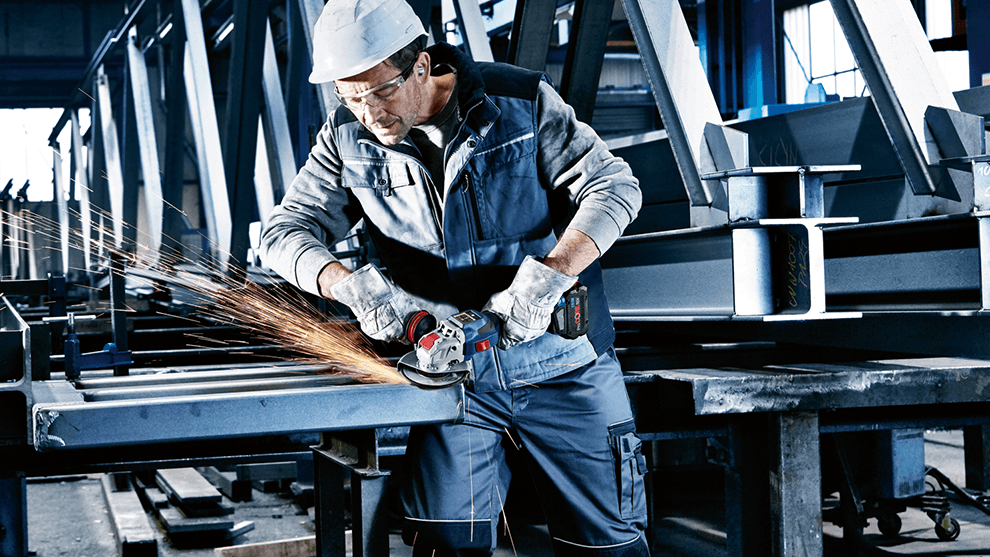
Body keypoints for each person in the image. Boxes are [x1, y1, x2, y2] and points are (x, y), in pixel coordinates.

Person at [260, 0, 648, 554]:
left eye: (380, 92)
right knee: (445, 545)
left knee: (608, 544)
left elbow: (614, 187)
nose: (368, 113)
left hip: (563, 365)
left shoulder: (519, 102)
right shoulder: (345, 136)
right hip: (449, 378)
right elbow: (283, 233)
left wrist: (549, 279)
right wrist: (348, 286)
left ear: (421, 66)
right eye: (350, 96)